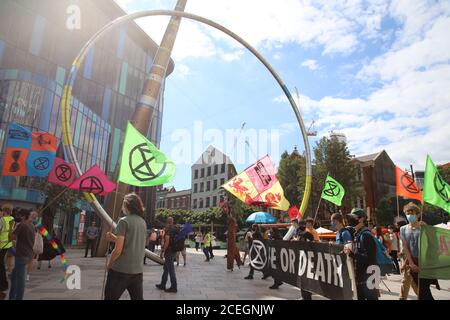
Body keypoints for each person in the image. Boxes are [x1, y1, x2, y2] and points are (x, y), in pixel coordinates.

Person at [104, 193, 147, 300]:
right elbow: (131, 242)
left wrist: (109, 264)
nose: (122, 207)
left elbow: (118, 250)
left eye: (123, 204)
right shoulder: (143, 222)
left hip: (120, 270)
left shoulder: (123, 221)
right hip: (137, 271)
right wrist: (114, 238)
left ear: (127, 205)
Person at [399, 202, 438, 300]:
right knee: (422, 292)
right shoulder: (403, 229)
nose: (409, 215)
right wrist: (410, 264)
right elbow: (405, 247)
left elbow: (432, 246)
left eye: (412, 213)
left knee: (423, 290)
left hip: (425, 264)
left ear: (418, 215)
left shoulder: (424, 228)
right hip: (413, 263)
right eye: (407, 213)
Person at [344, 208, 378, 300]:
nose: (351, 219)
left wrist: (352, 254)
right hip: (360, 275)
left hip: (368, 276)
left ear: (361, 219)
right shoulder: (357, 234)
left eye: (353, 217)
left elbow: (370, 258)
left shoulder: (366, 235)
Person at [9, 209, 36, 300]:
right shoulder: (31, 225)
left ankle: (18, 298)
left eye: (20, 215)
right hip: (28, 254)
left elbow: (11, 237)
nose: (18, 217)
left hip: (21, 255)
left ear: (24, 216)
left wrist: (10, 226)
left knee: (20, 280)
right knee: (14, 276)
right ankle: (11, 297)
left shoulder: (22, 225)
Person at [156, 217, 178, 293]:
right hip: (174, 250)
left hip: (169, 251)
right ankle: (163, 284)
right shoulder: (176, 228)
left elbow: (167, 241)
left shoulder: (169, 229)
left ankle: (174, 287)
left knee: (171, 269)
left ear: (167, 222)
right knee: (166, 268)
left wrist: (163, 251)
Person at [0, 204, 15, 297]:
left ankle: (3, 284)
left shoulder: (2, 220)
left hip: (1, 244)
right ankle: (4, 284)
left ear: (4, 211)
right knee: (2, 264)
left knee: (1, 265)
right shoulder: (12, 219)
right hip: (8, 244)